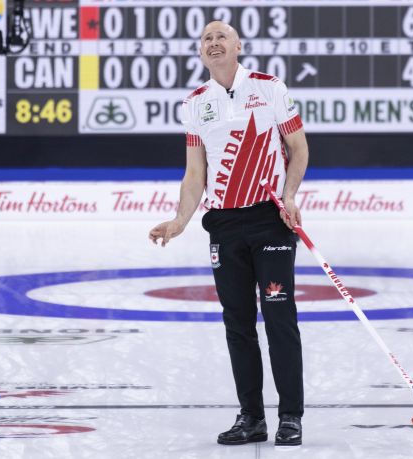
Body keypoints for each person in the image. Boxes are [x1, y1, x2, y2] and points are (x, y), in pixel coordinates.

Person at [148, 21, 309, 447]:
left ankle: (290, 416)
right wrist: (179, 220)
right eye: (206, 39)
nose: (214, 43)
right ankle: (251, 417)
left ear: (238, 46)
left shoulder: (270, 87)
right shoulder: (195, 103)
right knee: (237, 323)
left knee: (279, 319)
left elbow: (299, 150)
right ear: (201, 52)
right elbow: (194, 171)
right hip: (223, 223)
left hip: (269, 220)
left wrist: (290, 196)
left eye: (222, 37)